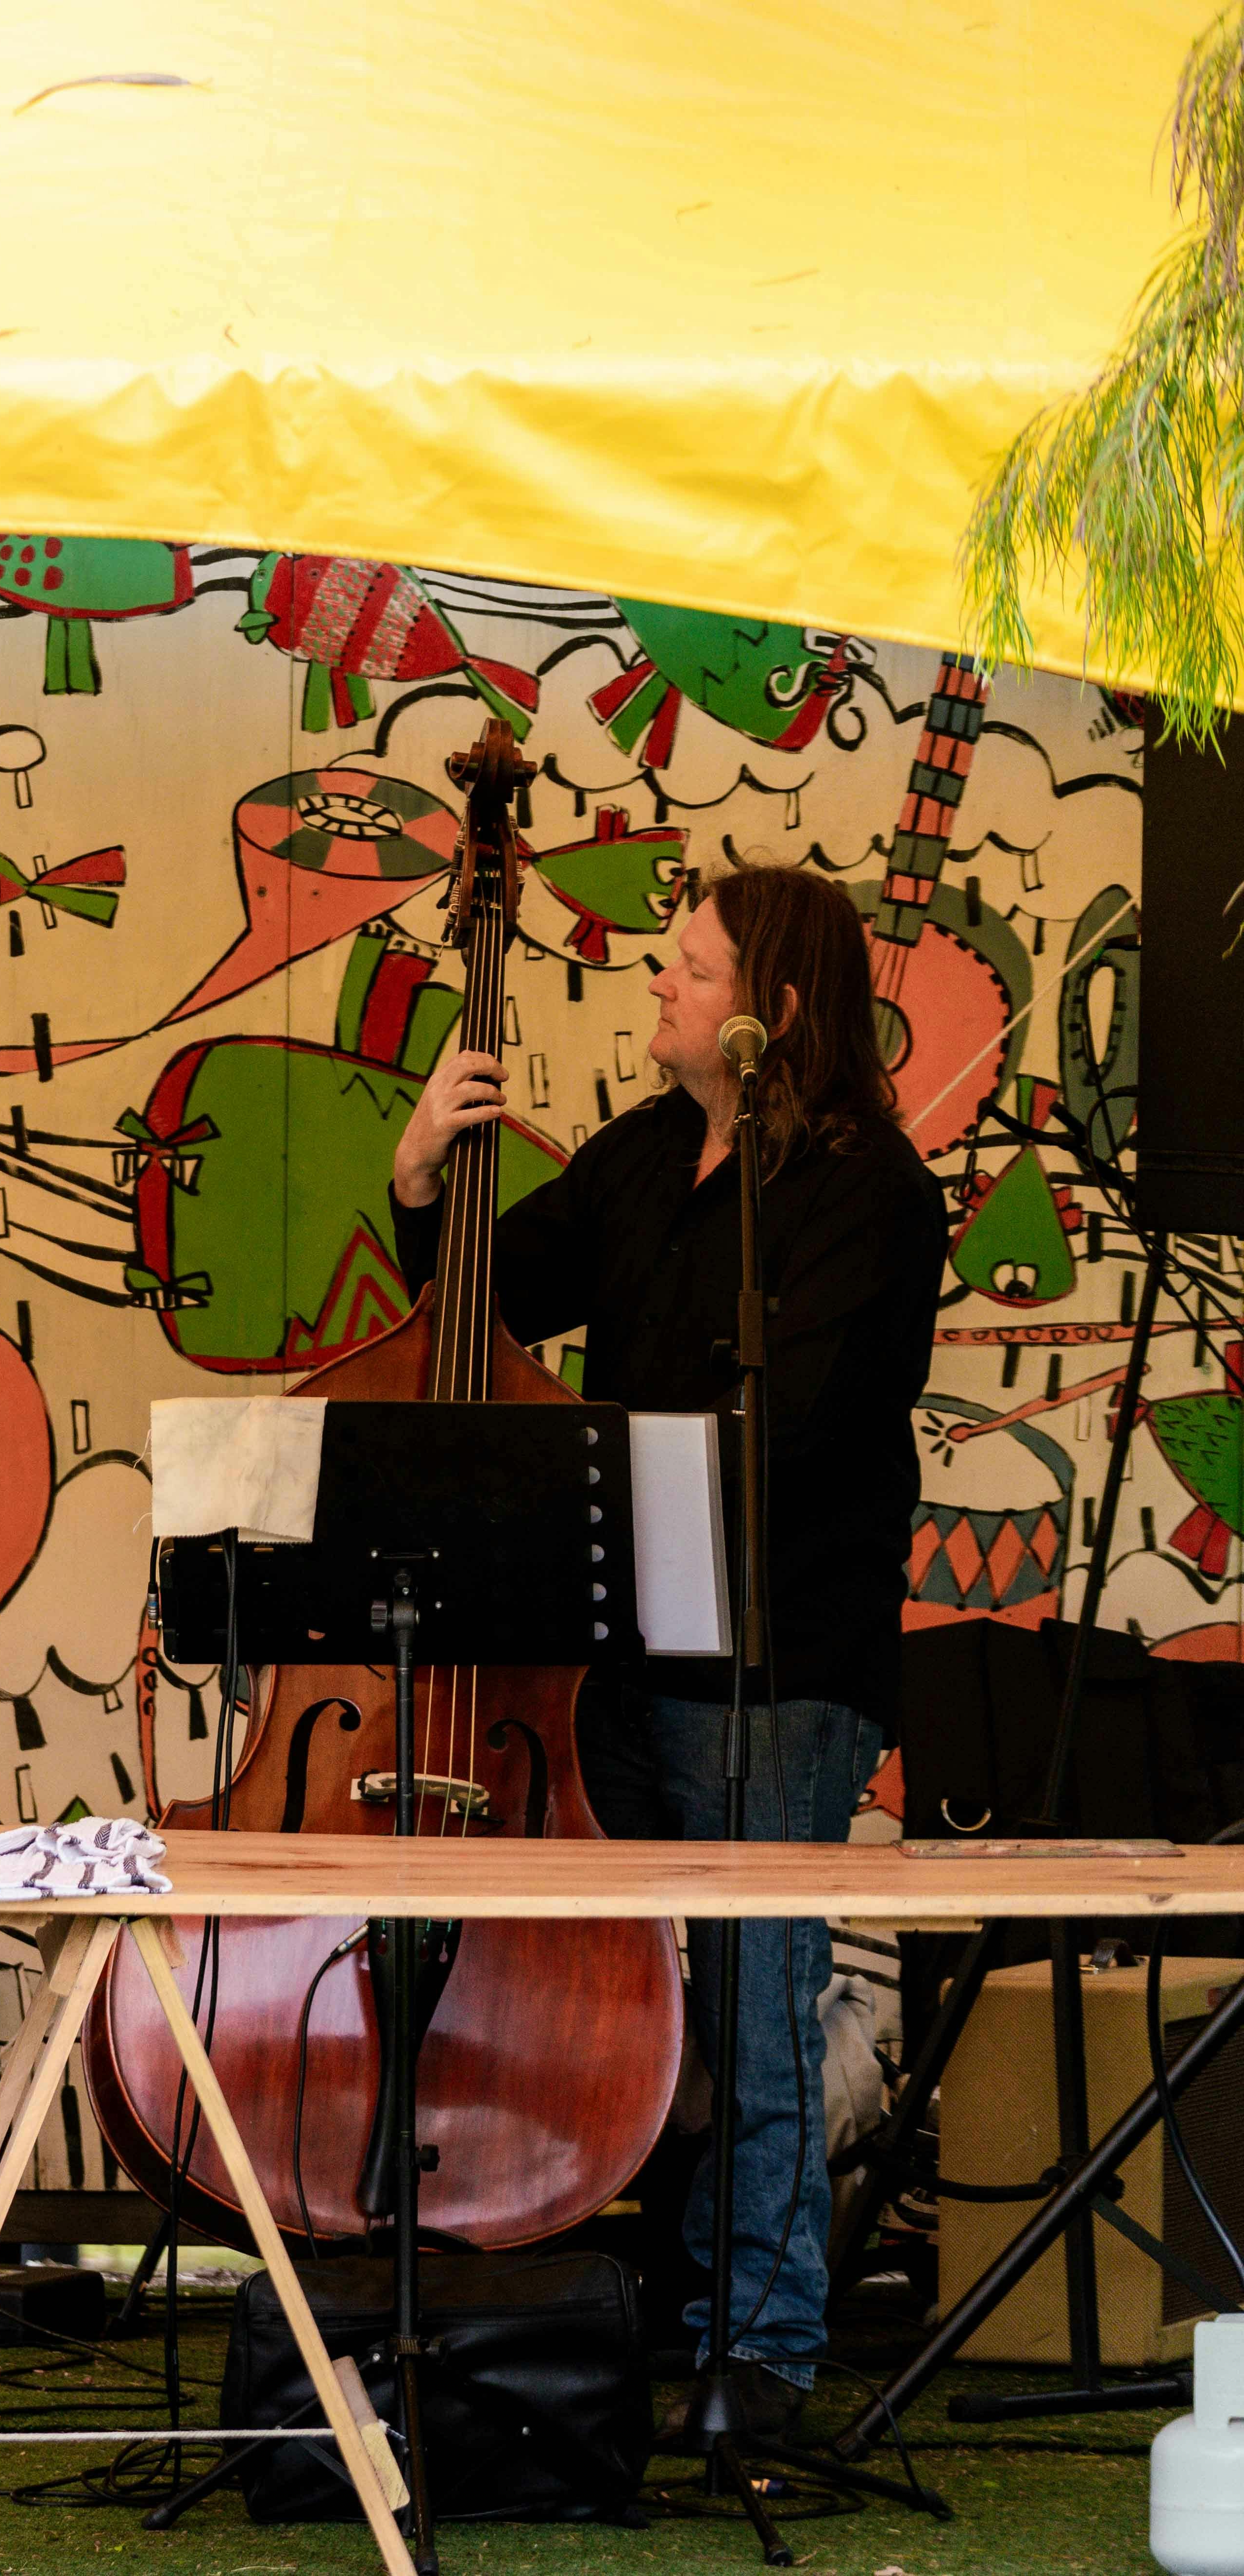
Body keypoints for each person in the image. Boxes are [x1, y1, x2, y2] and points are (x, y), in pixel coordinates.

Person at [392, 861, 940, 2447]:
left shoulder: (870, 1193)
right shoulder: (641, 1157)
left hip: (777, 1665)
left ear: (771, 1012)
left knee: (757, 2009)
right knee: (627, 2008)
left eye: (689, 969)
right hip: (611, 1663)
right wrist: (427, 1175)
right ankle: (636, 2302)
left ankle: (759, 2347)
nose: (662, 987)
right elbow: (481, 1308)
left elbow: (804, 1430)